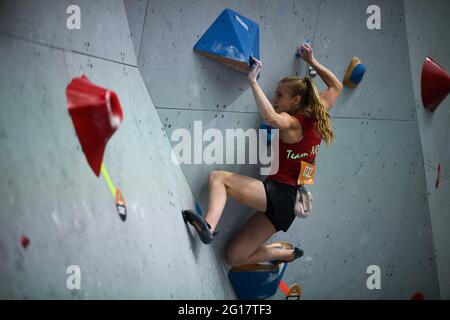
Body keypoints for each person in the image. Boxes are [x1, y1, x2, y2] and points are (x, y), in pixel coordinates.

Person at [182, 42, 342, 266]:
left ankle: (207, 226)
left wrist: (253, 81)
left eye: (279, 95)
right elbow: (336, 86)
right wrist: (311, 61)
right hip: (289, 206)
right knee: (234, 257)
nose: (275, 100)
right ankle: (283, 254)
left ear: (296, 100)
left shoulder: (293, 122)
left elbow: (270, 118)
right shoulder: (319, 111)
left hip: (282, 194)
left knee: (218, 178)